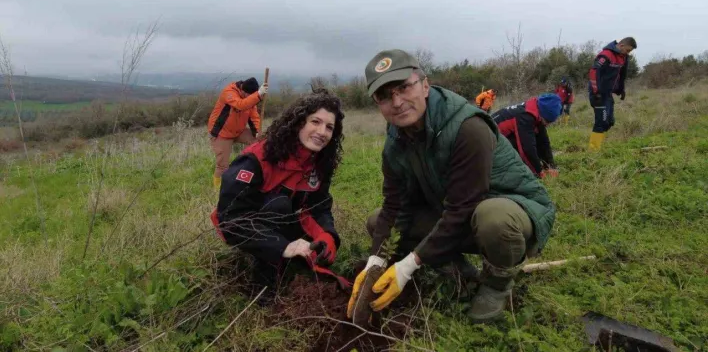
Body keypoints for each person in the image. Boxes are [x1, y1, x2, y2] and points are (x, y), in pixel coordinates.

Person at [346, 49, 556, 323]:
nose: (396, 102)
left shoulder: (468, 127)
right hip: (458, 214)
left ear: (424, 85)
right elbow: (394, 206)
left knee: (494, 218)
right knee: (378, 223)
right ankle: (458, 271)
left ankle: (496, 284)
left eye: (403, 88)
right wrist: (375, 262)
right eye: (384, 96)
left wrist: (407, 266)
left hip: (512, 212)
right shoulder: (396, 141)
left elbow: (464, 206)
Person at [210, 89, 348, 291]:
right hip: (244, 228)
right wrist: (282, 246)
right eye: (315, 122)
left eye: (329, 127)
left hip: (285, 221)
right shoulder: (255, 159)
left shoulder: (318, 162)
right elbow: (230, 220)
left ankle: (293, 263)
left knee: (318, 253)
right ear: (300, 122)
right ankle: (263, 286)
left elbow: (318, 206)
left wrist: (328, 235)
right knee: (279, 204)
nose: (322, 132)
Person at [207, 77, 268, 189]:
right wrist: (258, 95)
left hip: (238, 131)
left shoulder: (250, 97)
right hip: (222, 133)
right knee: (222, 165)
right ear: (243, 91)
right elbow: (241, 104)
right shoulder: (229, 92)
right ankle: (218, 190)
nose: (250, 99)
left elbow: (254, 116)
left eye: (252, 96)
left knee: (260, 142)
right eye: (249, 96)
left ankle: (255, 169)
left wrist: (257, 131)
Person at [492, 94, 562, 178]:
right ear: (543, 114)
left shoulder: (535, 109)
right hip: (489, 143)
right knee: (525, 144)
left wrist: (550, 165)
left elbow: (544, 142)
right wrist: (539, 172)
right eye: (547, 121)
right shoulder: (525, 116)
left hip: (501, 138)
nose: (547, 124)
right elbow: (526, 148)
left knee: (535, 138)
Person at [588, 37, 637, 151]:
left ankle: (598, 145)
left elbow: (622, 75)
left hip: (608, 94)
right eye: (628, 50)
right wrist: (596, 93)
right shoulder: (606, 55)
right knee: (601, 122)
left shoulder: (623, 58)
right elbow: (594, 72)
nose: (628, 53)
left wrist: (621, 89)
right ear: (621, 45)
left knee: (609, 122)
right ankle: (593, 150)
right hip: (598, 93)